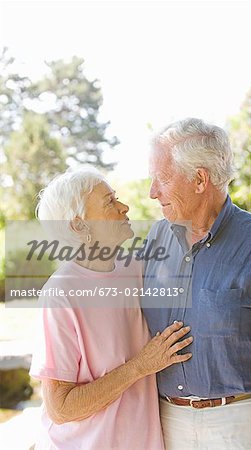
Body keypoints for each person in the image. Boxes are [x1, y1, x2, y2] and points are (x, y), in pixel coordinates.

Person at [141, 118, 251, 450]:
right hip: (165, 421)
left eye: (163, 179)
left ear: (200, 179)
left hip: (242, 424)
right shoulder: (155, 239)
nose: (153, 192)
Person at [29, 167, 193, 450]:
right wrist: (141, 366)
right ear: (79, 226)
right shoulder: (61, 293)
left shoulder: (138, 269)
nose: (124, 207)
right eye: (109, 202)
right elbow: (61, 408)